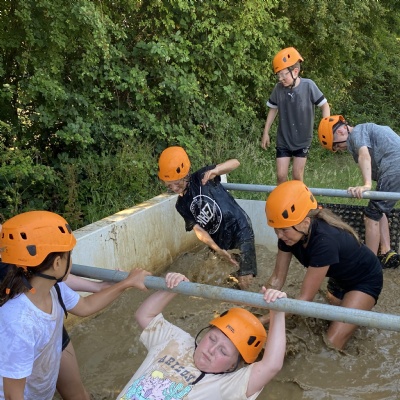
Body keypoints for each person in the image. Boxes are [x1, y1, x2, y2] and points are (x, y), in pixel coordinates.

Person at [0, 210, 151, 400]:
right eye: (69, 255)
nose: (71, 261)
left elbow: (85, 306)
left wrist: (125, 283)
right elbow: (13, 396)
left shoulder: (52, 288)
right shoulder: (18, 321)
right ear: (57, 263)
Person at [116, 272, 287, 400]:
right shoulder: (176, 340)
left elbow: (271, 365)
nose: (211, 350)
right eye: (212, 339)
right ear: (205, 333)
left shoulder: (227, 386)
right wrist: (174, 287)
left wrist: (277, 313)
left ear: (233, 365)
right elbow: (144, 315)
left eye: (223, 351)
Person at [264, 180, 383, 350]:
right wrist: (254, 306)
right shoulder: (290, 235)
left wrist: (262, 320)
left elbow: (305, 299)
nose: (279, 235)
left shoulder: (324, 241)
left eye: (283, 229)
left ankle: (360, 310)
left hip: (365, 280)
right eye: (276, 229)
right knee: (332, 320)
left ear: (305, 222)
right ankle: (355, 314)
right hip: (339, 277)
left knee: (331, 344)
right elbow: (276, 279)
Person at [158, 146, 257, 290]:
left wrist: (216, 170)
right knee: (215, 278)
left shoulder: (202, 177)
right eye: (169, 185)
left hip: (240, 228)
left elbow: (235, 162)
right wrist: (218, 249)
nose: (174, 188)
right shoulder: (181, 205)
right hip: (219, 240)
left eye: (177, 183)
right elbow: (199, 231)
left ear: (186, 174)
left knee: (244, 279)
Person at [318, 115, 400, 268]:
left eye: (336, 146)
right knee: (378, 209)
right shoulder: (364, 133)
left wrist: (366, 185)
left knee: (371, 216)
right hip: (393, 167)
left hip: (395, 167)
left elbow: (364, 155)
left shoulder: (357, 133)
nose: (339, 149)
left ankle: (369, 265)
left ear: (341, 131)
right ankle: (387, 251)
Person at [261, 47, 330, 184]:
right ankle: (282, 198)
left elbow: (324, 105)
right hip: (284, 139)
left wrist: (326, 127)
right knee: (281, 176)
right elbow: (273, 109)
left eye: (283, 75)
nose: (280, 79)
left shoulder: (308, 86)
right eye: (278, 75)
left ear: (295, 72)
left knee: (297, 176)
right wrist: (266, 132)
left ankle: (299, 198)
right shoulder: (278, 89)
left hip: (302, 139)